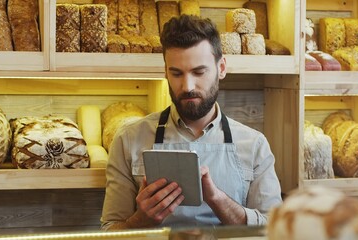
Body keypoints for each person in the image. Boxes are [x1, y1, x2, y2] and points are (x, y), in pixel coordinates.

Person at [100, 14, 282, 230]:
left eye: (199, 72)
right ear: (166, 72)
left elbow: (275, 230)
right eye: (176, 73)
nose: (187, 86)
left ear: (221, 68)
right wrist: (143, 219)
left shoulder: (254, 145)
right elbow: (110, 230)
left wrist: (217, 199)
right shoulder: (128, 140)